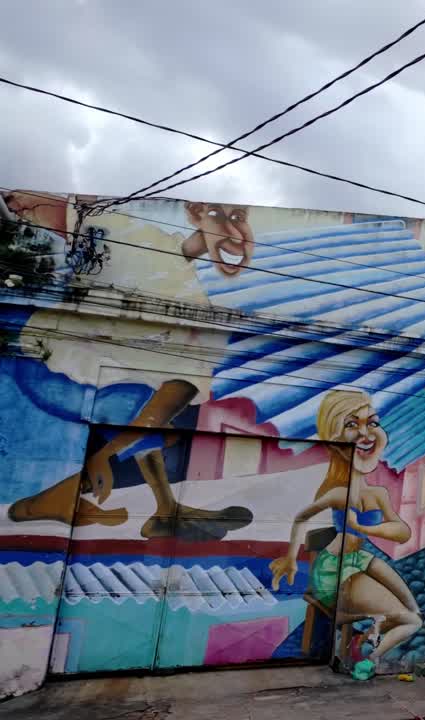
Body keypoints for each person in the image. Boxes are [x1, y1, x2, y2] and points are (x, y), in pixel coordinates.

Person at [6, 197, 254, 540]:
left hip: (54, 364)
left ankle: (162, 510)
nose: (12, 202)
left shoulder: (194, 336)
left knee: (141, 413)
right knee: (140, 414)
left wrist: (107, 454)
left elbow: (161, 407)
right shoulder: (123, 238)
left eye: (237, 219)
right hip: (46, 364)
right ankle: (53, 500)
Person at [269, 390, 421, 664]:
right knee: (410, 620)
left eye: (372, 423)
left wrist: (367, 529)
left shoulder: (378, 494)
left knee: (414, 610)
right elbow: (302, 517)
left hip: (362, 559)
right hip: (335, 568)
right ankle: (369, 658)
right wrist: (291, 559)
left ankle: (366, 635)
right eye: (352, 425)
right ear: (335, 440)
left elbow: (403, 531)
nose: (366, 433)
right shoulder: (338, 490)